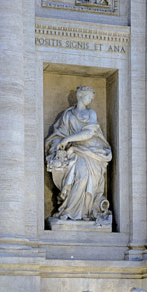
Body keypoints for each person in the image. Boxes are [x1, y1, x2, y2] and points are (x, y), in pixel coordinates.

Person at [45, 87, 113, 223]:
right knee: (80, 176)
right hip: (75, 151)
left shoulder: (91, 113)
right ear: (80, 96)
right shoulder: (68, 115)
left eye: (91, 98)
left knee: (89, 180)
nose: (90, 100)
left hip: (92, 151)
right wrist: (62, 143)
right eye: (88, 97)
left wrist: (67, 139)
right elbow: (59, 134)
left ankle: (87, 212)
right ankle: (70, 211)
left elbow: (89, 133)